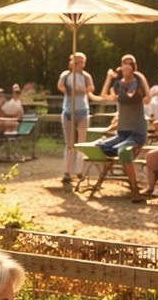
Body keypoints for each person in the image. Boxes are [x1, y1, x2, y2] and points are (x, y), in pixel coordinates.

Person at [93, 55, 150, 201]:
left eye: (129, 64)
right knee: (98, 146)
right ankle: (112, 173)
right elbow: (104, 95)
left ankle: (135, 189)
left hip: (136, 132)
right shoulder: (119, 85)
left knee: (123, 151)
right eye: (124, 63)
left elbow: (147, 99)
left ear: (134, 66)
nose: (126, 66)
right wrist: (109, 77)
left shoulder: (137, 83)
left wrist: (141, 78)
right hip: (122, 132)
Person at [57, 52, 96, 183]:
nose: (79, 64)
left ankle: (78, 170)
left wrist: (81, 89)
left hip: (82, 111)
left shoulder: (86, 76)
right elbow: (60, 85)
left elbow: (91, 88)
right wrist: (68, 89)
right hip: (68, 111)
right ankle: (67, 172)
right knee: (70, 144)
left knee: (81, 143)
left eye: (81, 62)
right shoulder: (66, 75)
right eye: (76, 62)